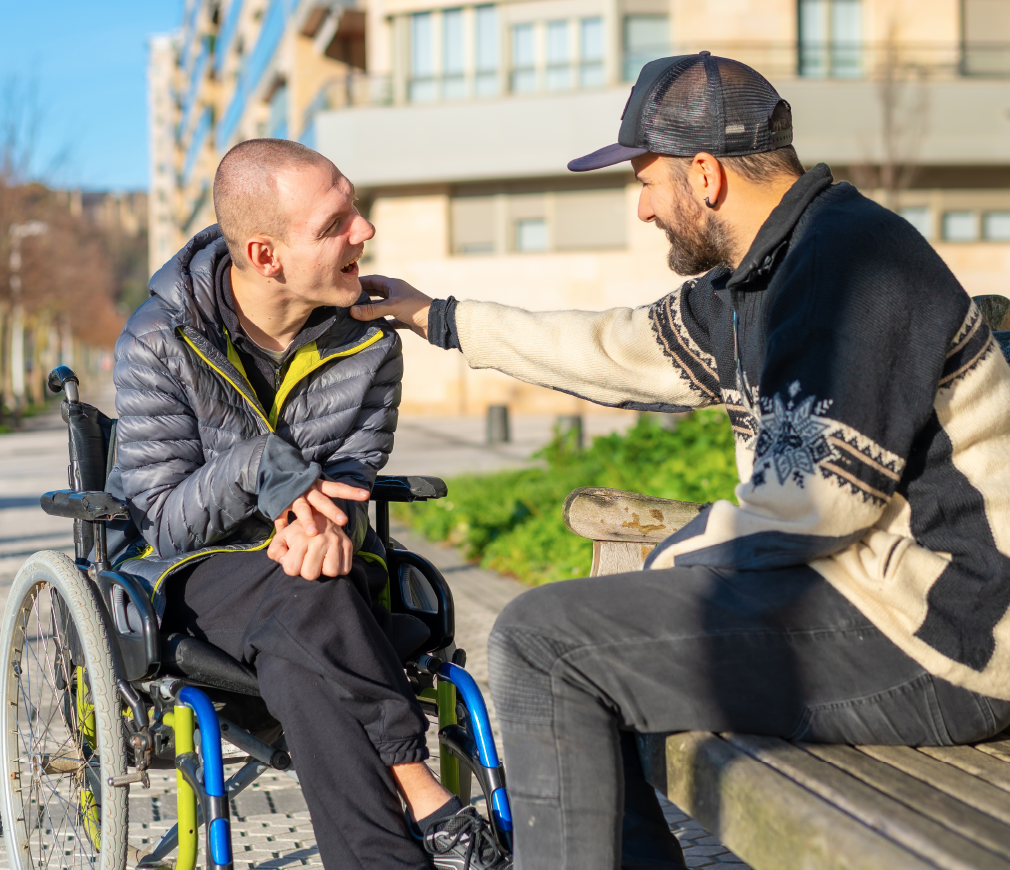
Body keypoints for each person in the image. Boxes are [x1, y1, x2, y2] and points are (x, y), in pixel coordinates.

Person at [351, 53, 1010, 870]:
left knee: (541, 639)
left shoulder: (852, 265)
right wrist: (438, 316)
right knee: (586, 639)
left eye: (647, 179)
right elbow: (611, 348)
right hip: (863, 593)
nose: (642, 208)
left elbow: (815, 501)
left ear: (704, 174)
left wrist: (669, 559)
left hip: (942, 638)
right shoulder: (756, 279)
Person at [108, 138, 512, 870]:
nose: (365, 231)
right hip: (202, 573)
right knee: (308, 599)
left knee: (308, 616)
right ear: (266, 255)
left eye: (354, 209)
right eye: (335, 225)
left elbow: (358, 467)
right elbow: (162, 519)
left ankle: (409, 818)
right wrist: (266, 468)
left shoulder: (368, 342)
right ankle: (418, 784)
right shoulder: (157, 339)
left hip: (331, 564)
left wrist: (328, 522)